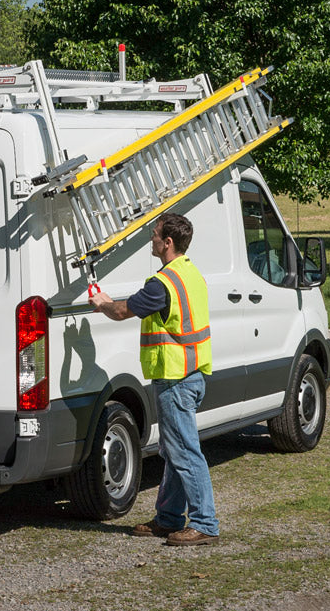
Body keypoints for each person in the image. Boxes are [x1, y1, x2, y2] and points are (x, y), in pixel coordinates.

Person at [88, 212, 220, 547]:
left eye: (155, 234)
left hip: (175, 379)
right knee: (175, 450)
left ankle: (204, 524)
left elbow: (121, 312)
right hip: (193, 374)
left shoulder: (162, 284)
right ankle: (168, 518)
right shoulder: (190, 274)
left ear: (168, 242)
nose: (151, 239)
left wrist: (102, 302)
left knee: (185, 452)